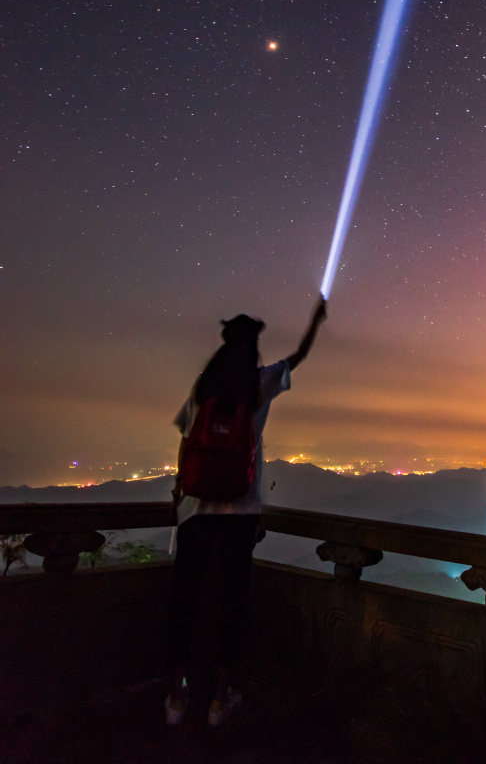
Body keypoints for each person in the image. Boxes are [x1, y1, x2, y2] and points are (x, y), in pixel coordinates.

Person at [165, 296, 327, 727]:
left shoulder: (204, 387)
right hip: (241, 510)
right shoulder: (258, 384)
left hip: (196, 509)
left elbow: (185, 439)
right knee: (233, 601)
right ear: (254, 346)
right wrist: (315, 320)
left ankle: (176, 695)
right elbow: (301, 355)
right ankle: (220, 697)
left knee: (186, 597)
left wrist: (180, 486)